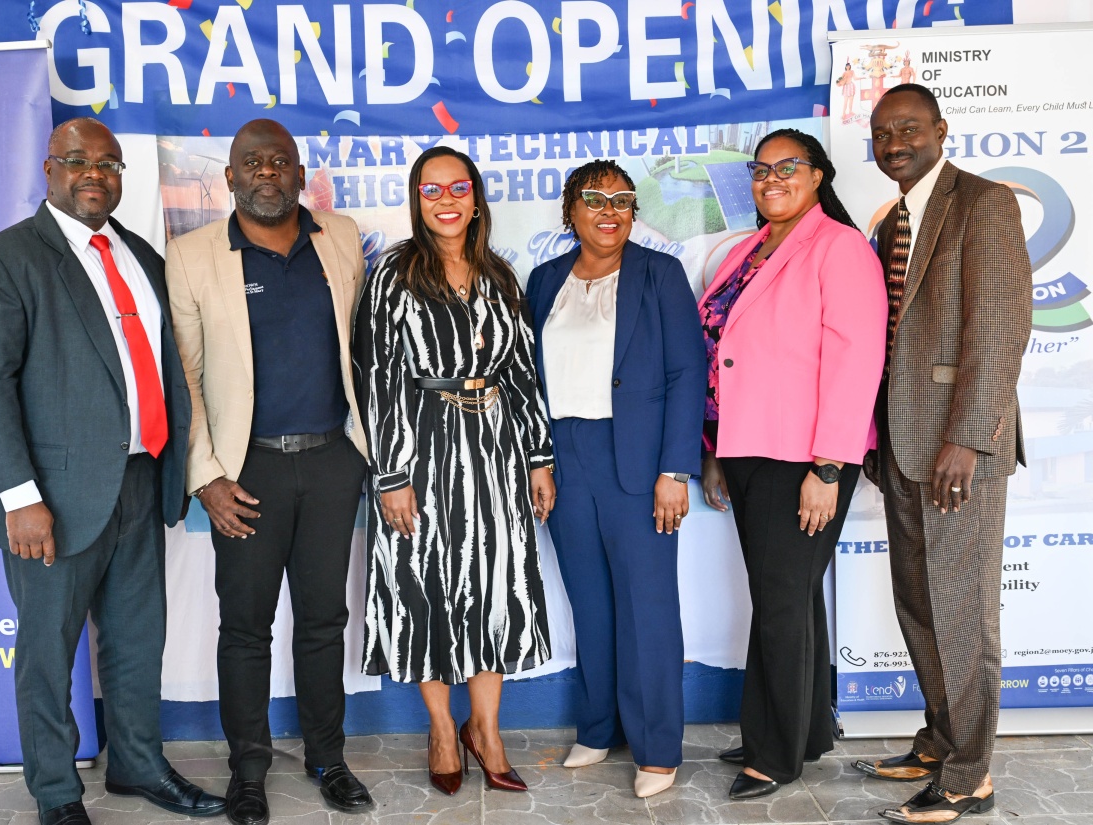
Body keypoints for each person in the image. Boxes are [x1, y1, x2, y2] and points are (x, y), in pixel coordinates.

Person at [0, 118, 222, 825]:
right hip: (52, 496)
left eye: (108, 163)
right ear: (49, 170)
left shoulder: (139, 255)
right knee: (46, 650)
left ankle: (136, 762)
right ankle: (56, 790)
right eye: (77, 161)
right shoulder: (2, 259)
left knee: (138, 639)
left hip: (139, 479)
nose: (94, 173)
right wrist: (19, 494)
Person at [165, 118, 373, 820]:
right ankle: (248, 769)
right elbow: (186, 376)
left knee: (324, 619)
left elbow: (360, 349)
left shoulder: (338, 238)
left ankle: (327, 757)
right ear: (229, 176)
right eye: (251, 161)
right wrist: (206, 475)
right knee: (246, 626)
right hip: (244, 473)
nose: (265, 171)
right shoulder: (193, 255)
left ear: (297, 171)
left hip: (331, 463)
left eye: (278, 160)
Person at [852, 84, 1031, 825]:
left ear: (941, 130)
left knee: (962, 614)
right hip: (900, 441)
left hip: (958, 448)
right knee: (920, 603)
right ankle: (939, 737)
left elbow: (1000, 329)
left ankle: (969, 775)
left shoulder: (981, 203)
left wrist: (968, 436)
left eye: (909, 127)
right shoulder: (890, 217)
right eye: (882, 129)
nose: (895, 141)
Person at [352, 146, 555, 797]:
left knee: (494, 587)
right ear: (417, 198)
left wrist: (539, 457)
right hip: (421, 447)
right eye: (432, 189)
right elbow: (377, 379)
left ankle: (486, 729)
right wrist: (391, 473)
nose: (446, 199)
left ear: (475, 196)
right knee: (423, 591)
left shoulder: (500, 274)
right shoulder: (392, 275)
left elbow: (522, 371)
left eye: (458, 186)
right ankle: (443, 727)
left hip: (495, 449)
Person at [699, 129, 887, 800]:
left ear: (817, 175)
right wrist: (715, 450)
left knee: (780, 600)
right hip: (747, 448)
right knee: (791, 596)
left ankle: (773, 754)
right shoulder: (750, 249)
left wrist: (829, 466)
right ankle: (801, 729)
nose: (771, 179)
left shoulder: (839, 247)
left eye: (788, 167)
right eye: (760, 169)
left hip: (803, 456)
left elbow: (856, 360)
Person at [525, 159, 705, 799]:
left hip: (637, 458)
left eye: (623, 200)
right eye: (595, 199)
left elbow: (688, 374)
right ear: (570, 211)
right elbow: (527, 381)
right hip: (566, 457)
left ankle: (658, 748)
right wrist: (538, 460)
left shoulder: (661, 275)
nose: (610, 211)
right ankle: (600, 728)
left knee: (647, 607)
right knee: (592, 604)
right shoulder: (545, 281)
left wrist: (674, 468)